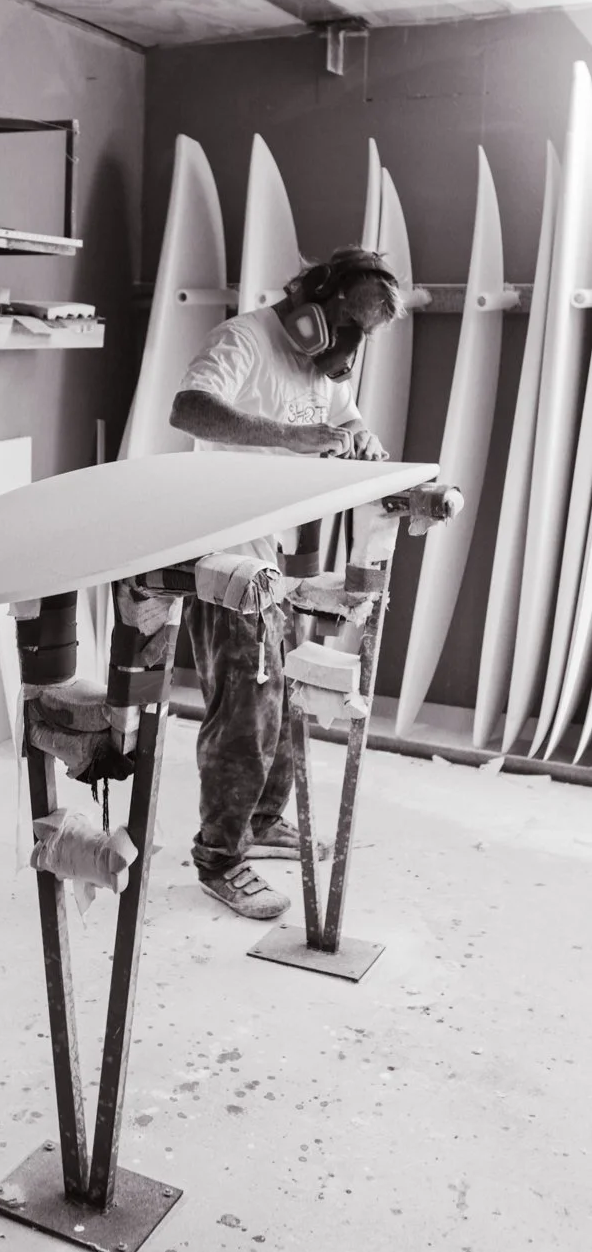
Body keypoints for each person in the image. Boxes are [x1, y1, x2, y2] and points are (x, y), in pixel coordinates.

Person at [169, 246, 403, 919]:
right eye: (350, 325)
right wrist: (288, 440)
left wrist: (363, 447)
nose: (352, 347)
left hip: (276, 553)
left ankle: (264, 819)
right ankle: (219, 857)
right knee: (243, 711)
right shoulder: (243, 339)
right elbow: (188, 408)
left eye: (366, 336)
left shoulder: (319, 368)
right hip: (224, 554)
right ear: (313, 303)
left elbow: (346, 422)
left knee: (289, 697)